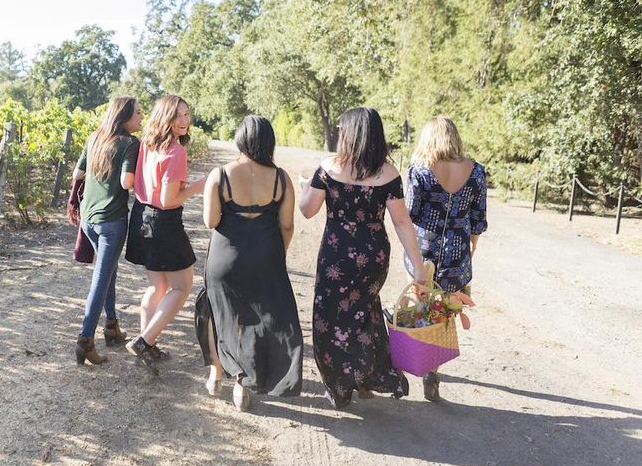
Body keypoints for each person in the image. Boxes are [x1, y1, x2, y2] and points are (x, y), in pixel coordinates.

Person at [298, 107, 428, 409]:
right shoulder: (389, 173)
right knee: (362, 313)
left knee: (329, 319)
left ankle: (341, 385)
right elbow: (401, 222)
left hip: (336, 256)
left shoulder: (328, 168)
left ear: (352, 133)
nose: (339, 133)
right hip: (373, 256)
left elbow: (307, 209)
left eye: (343, 129)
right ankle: (366, 374)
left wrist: (307, 185)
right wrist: (418, 266)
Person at [201, 115, 302, 411]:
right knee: (261, 318)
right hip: (267, 256)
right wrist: (276, 255)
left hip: (225, 258)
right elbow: (286, 226)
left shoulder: (220, 175)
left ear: (239, 139)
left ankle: (216, 373)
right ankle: (243, 383)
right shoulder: (281, 178)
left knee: (217, 313)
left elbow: (211, 221)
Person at [403, 115, 488, 401]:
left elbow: (411, 214)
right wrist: (470, 249)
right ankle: (433, 370)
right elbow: (478, 220)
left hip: (424, 250)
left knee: (421, 304)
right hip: (457, 250)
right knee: (444, 310)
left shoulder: (420, 169)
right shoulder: (476, 172)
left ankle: (416, 356)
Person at [124, 94, 205, 372]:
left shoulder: (147, 144)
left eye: (186, 114)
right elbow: (170, 199)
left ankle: (148, 345)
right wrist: (201, 184)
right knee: (182, 287)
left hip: (141, 217)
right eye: (177, 115)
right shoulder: (176, 152)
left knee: (156, 286)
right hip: (164, 222)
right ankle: (145, 341)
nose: (184, 121)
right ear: (165, 117)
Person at [70, 96, 143, 366]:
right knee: (101, 279)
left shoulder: (94, 138)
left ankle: (112, 327)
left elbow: (77, 174)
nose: (141, 118)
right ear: (123, 116)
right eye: (137, 113)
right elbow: (127, 183)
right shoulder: (129, 143)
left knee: (109, 271)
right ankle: (85, 340)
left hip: (88, 219)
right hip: (112, 221)